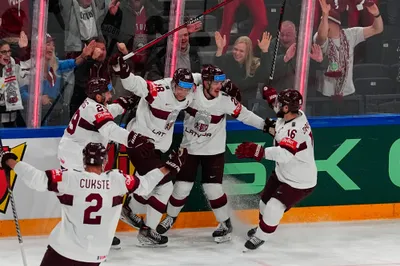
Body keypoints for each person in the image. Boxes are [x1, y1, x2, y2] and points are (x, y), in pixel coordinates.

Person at [0, 142, 188, 265]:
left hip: (63, 251)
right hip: (95, 256)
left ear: (83, 161)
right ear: (105, 161)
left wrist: (8, 160)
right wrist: (167, 168)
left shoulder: (69, 178)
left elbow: (36, 179)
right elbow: (145, 185)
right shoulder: (117, 180)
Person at [156, 65, 266, 243]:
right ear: (205, 82)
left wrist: (266, 126)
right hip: (189, 149)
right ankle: (170, 217)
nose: (219, 86)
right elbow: (170, 90)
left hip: (214, 151)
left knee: (213, 188)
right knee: (181, 187)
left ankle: (225, 223)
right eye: (215, 82)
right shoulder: (191, 94)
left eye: (221, 82)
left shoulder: (225, 100)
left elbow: (245, 116)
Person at [112, 55, 201, 246]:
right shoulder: (160, 90)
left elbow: (199, 77)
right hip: (140, 143)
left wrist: (220, 81)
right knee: (165, 186)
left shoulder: (189, 89)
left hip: (156, 147)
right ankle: (147, 231)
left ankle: (127, 209)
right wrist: (123, 71)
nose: (183, 93)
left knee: (150, 184)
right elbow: (136, 85)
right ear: (173, 84)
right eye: (180, 88)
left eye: (187, 90)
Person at [57, 77, 153, 247]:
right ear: (99, 97)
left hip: (79, 155)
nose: (110, 94)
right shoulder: (93, 109)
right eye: (107, 92)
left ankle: (88, 233)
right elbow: (110, 129)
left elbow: (108, 111)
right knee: (79, 195)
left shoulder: (94, 105)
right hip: (75, 158)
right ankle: (75, 234)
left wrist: (124, 104)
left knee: (85, 194)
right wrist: (134, 139)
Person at [234, 88, 317, 251]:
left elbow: (285, 154)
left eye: (280, 104)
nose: (277, 105)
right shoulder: (292, 114)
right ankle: (262, 228)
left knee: (273, 207)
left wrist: (258, 151)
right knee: (264, 203)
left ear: (287, 108)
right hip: (282, 173)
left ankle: (260, 237)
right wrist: (272, 98)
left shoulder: (295, 130)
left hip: (298, 181)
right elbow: (278, 126)